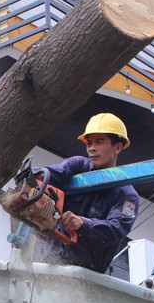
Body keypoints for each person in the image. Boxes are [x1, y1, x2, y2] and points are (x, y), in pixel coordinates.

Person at [34, 113, 139, 273]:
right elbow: (51, 173)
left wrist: (83, 223)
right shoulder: (77, 165)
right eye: (89, 143)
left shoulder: (127, 195)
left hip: (86, 274)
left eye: (99, 142)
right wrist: (30, 179)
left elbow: (116, 229)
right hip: (49, 264)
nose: (91, 148)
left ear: (117, 147)